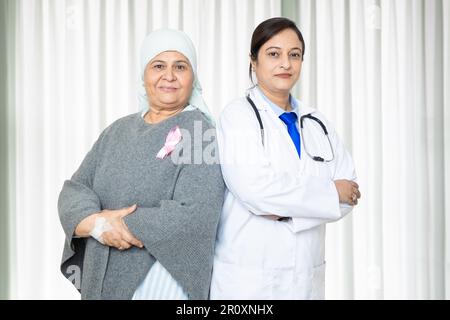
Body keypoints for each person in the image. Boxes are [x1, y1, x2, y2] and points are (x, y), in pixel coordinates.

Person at [58, 29, 224, 300]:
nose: (168, 76)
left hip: (162, 285)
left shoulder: (200, 133)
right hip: (103, 276)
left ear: (192, 77)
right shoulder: (117, 131)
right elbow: (75, 189)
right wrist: (95, 223)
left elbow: (194, 213)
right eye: (158, 66)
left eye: (180, 67)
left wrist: (116, 224)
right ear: (144, 75)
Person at [210, 17, 361, 299]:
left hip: (306, 276)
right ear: (253, 61)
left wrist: (285, 210)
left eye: (295, 55)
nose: (286, 64)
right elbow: (256, 190)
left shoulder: (319, 123)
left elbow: (350, 190)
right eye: (273, 54)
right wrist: (327, 195)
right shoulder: (237, 117)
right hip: (249, 281)